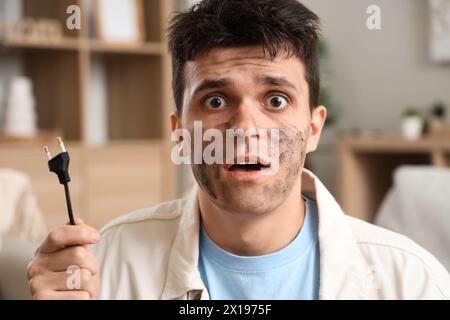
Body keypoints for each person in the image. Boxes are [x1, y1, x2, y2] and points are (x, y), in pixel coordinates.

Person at [27, 0, 450, 300]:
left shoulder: (410, 281)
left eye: (276, 99)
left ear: (314, 127)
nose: (246, 129)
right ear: (180, 133)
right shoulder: (103, 269)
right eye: (215, 100)